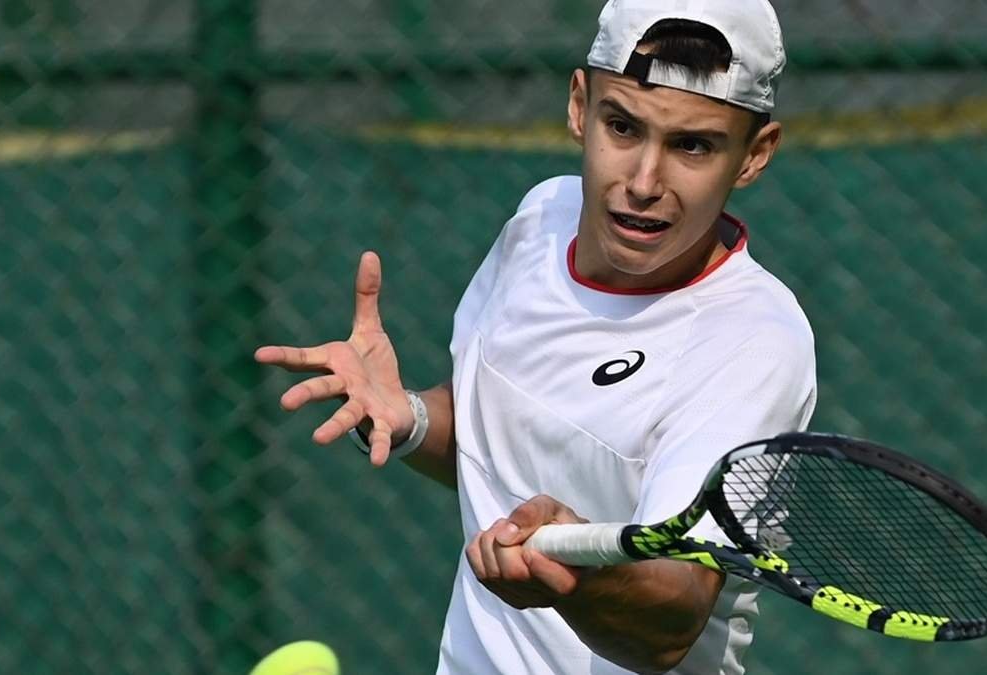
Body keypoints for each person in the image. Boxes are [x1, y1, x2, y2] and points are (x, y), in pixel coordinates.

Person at [255, 1, 816, 673]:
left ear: (753, 156)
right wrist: (407, 416)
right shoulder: (541, 219)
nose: (643, 182)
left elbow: (672, 621)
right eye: (622, 127)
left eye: (692, 146)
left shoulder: (753, 345)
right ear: (579, 107)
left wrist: (573, 576)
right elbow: (509, 441)